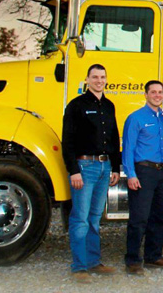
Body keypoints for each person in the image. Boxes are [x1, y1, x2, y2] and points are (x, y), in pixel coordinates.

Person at [62, 64, 120, 283]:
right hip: (85, 168)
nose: (99, 80)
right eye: (94, 77)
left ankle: (94, 262)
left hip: (105, 168)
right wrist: (74, 171)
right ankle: (79, 267)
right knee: (80, 218)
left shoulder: (109, 106)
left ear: (106, 80)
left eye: (102, 77)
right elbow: (67, 141)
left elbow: (114, 139)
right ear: (87, 80)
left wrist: (115, 167)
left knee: (95, 218)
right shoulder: (76, 106)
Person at [122, 80, 163, 275]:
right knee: (139, 218)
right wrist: (131, 174)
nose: (157, 95)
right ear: (145, 95)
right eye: (153, 92)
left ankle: (154, 256)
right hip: (143, 172)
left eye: (160, 92)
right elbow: (128, 148)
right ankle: (133, 261)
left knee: (159, 218)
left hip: (161, 173)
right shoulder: (135, 118)